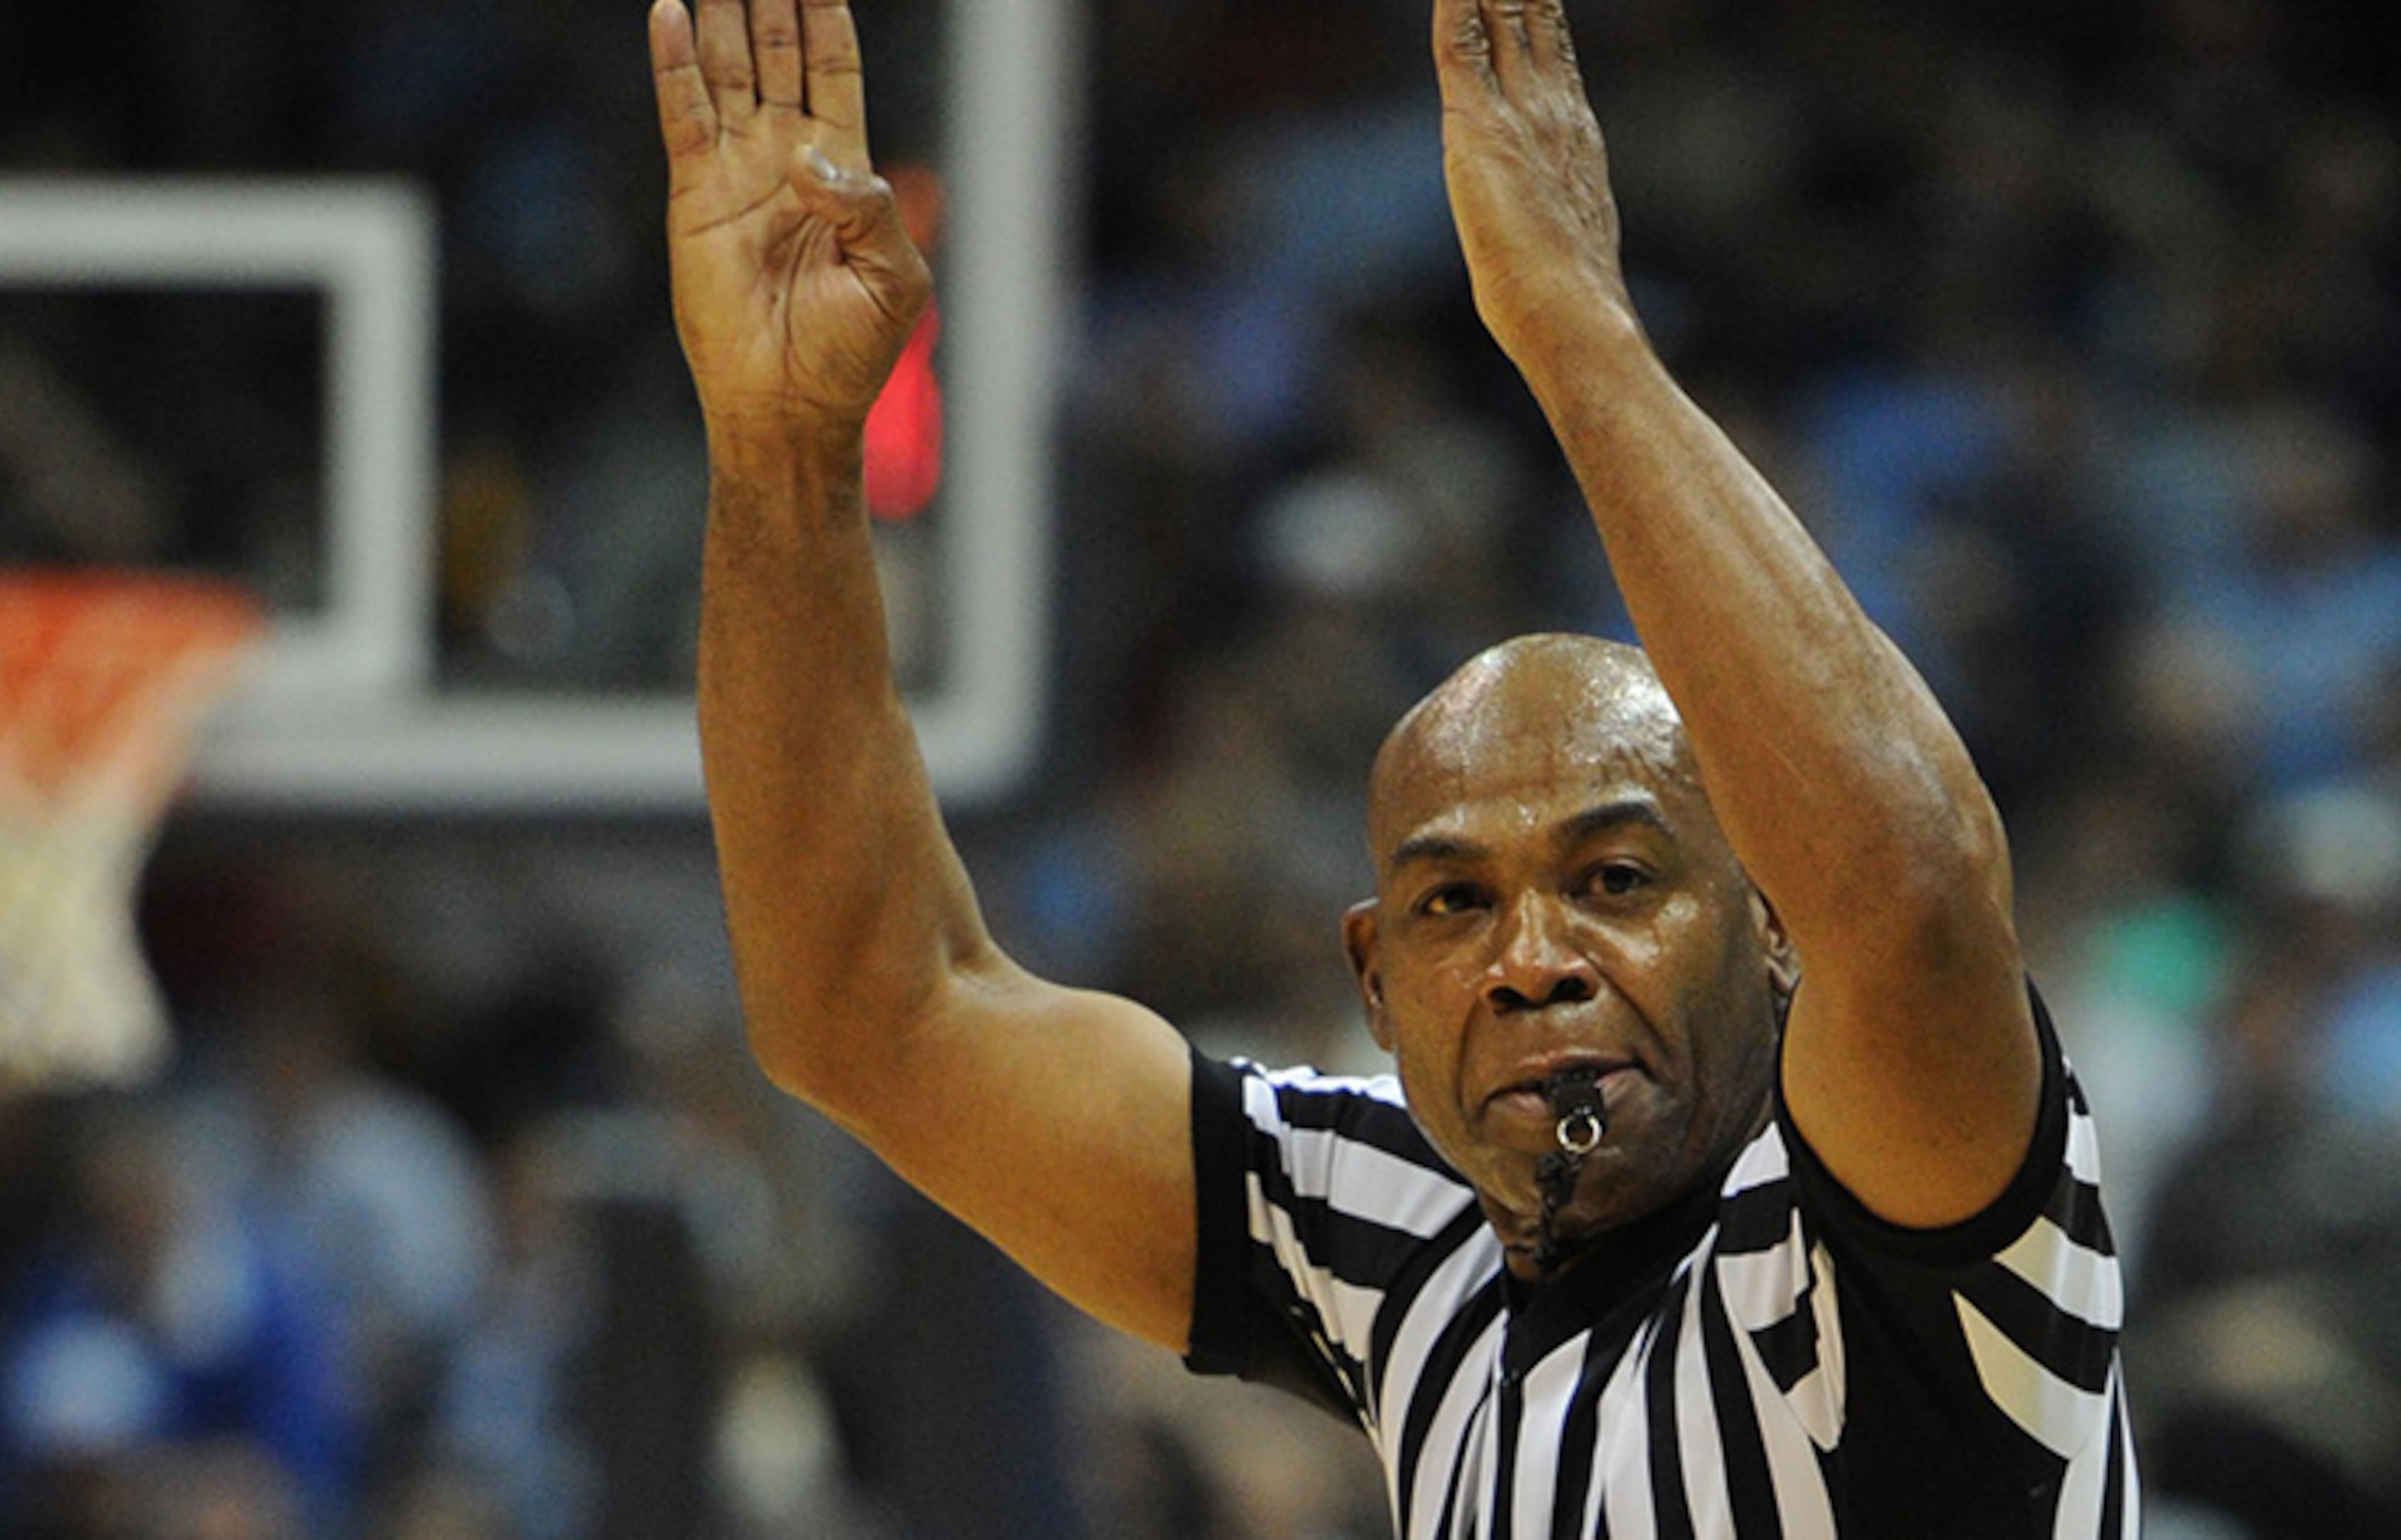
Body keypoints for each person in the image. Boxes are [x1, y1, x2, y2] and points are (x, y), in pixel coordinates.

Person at [650, 0, 2136, 1533]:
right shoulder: (1402, 1230)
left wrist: (1578, 340)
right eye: (1452, 906)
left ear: (1773, 926)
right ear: (1371, 980)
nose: (1532, 961)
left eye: (1617, 881)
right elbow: (872, 1009)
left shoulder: (1905, 1221)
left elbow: (1917, 897)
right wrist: (783, 459)